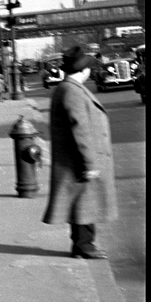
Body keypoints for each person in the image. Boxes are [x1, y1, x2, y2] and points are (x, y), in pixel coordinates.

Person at [42, 45, 117, 259]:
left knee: (83, 203)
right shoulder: (72, 91)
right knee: (85, 202)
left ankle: (83, 245)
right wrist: (90, 163)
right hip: (78, 159)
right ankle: (85, 246)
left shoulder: (67, 88)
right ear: (84, 71)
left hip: (74, 158)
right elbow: (81, 129)